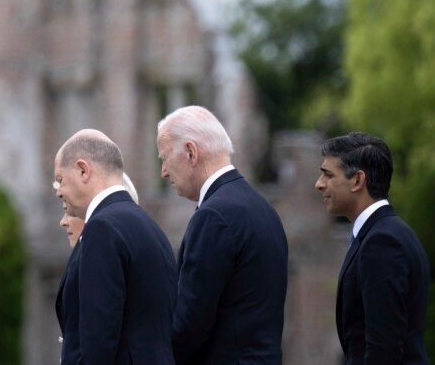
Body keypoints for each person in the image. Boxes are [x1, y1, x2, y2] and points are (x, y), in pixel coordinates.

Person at [156, 105, 287, 365]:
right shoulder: (263, 209)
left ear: (191, 152)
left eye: (165, 157)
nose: (164, 171)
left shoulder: (213, 216)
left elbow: (190, 323)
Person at [55, 129, 176, 365]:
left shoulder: (102, 228)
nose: (59, 192)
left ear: (83, 170)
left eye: (60, 180)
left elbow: (98, 340)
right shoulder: (148, 225)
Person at [316, 132, 430, 364]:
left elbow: (384, 348)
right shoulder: (386, 233)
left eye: (328, 175)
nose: (319, 184)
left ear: (358, 180)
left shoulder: (382, 241)